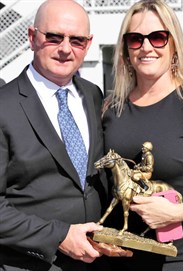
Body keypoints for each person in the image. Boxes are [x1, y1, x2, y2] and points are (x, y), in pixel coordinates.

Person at [102, 0, 183, 270]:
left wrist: (177, 212)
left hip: (180, 259)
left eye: (158, 37)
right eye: (136, 39)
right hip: (116, 259)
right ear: (125, 49)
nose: (146, 47)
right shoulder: (109, 108)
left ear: (174, 46)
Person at [0, 1, 111, 270]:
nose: (65, 48)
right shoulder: (3, 106)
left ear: (88, 43)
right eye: (54, 37)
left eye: (77, 40)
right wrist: (58, 236)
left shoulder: (94, 95)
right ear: (32, 37)